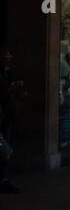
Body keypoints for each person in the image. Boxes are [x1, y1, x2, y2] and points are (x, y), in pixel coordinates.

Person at [0, 47, 25, 194]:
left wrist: (18, 91)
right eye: (5, 58)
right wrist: (11, 89)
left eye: (9, 58)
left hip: (7, 115)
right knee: (3, 149)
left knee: (5, 149)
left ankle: (4, 178)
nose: (8, 61)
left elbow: (11, 93)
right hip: (3, 115)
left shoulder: (8, 72)